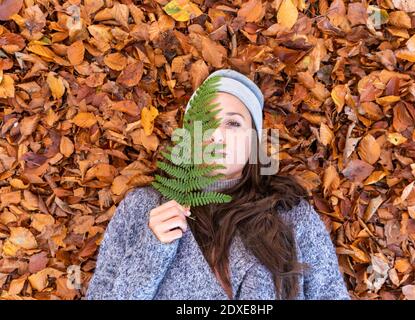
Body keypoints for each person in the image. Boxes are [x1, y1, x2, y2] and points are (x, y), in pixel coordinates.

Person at [85, 69, 350, 300]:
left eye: (233, 123)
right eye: (206, 123)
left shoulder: (291, 214)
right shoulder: (144, 207)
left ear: (253, 141)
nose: (217, 135)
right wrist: (151, 250)